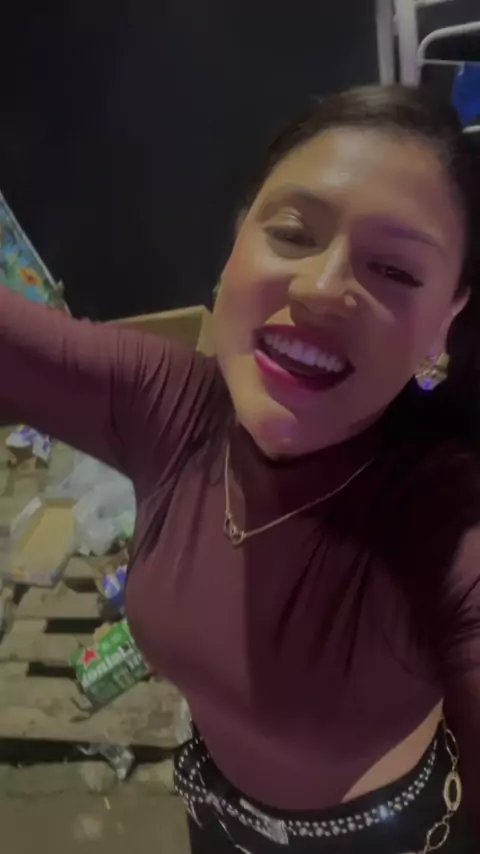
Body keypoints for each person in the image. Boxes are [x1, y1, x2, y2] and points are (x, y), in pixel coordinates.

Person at [0, 84, 479, 853]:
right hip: (214, 816)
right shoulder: (166, 407)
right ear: (237, 241)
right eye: (291, 233)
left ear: (446, 318)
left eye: (393, 269)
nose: (321, 288)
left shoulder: (447, 524)